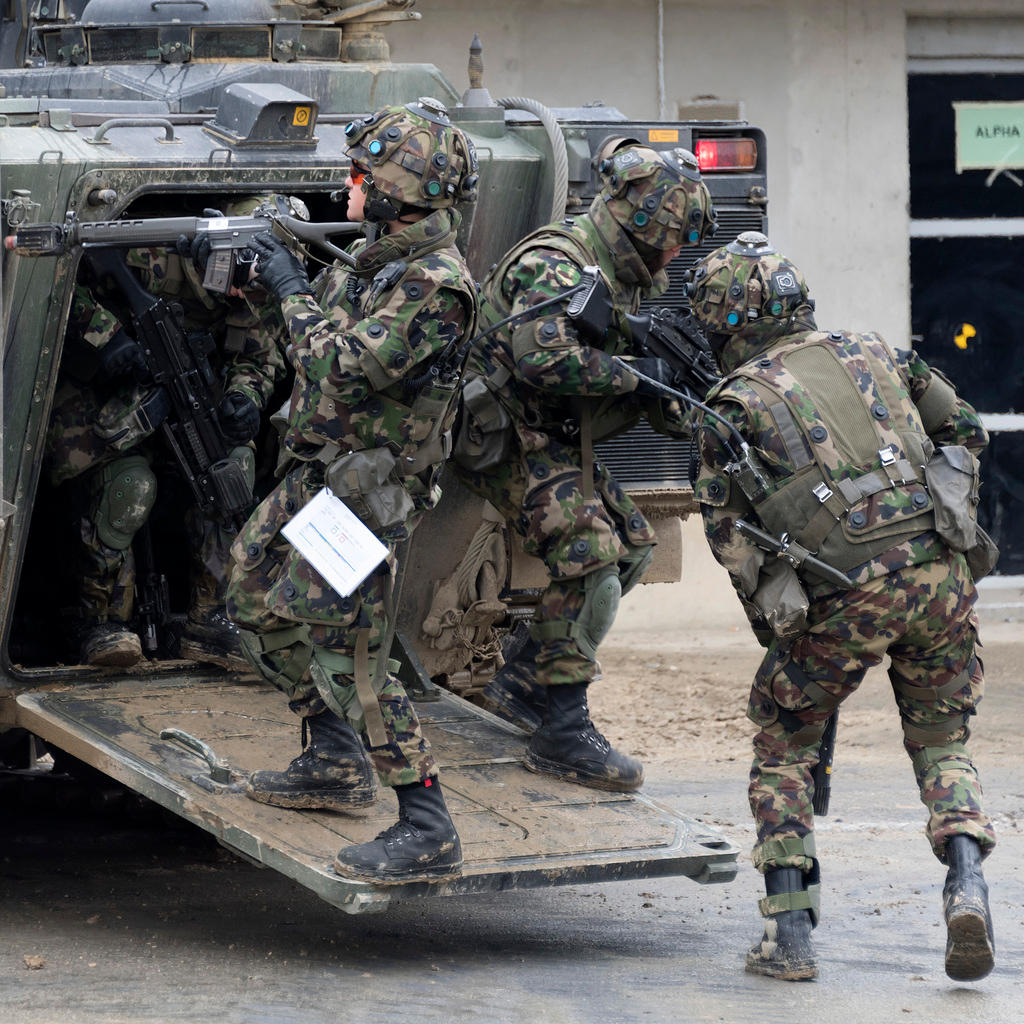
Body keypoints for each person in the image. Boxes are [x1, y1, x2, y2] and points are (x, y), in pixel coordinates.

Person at [689, 231, 997, 982]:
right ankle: (967, 881)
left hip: (841, 596)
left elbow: (734, 544)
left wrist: (783, 633)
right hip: (940, 580)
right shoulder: (874, 350)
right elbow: (966, 432)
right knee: (941, 739)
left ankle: (790, 937)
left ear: (725, 324)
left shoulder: (731, 406)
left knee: (784, 745)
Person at [218, 98, 479, 884]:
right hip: (322, 476)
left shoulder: (436, 286)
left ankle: (427, 821)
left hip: (366, 498)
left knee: (356, 657)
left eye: (360, 173)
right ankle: (333, 757)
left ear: (399, 189)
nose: (348, 184)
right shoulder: (381, 260)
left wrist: (289, 283)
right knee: (249, 600)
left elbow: (335, 366)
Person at [454, 146, 716, 791]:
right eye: (674, 239)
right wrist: (639, 377)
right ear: (645, 225)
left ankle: (521, 680)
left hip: (547, 432)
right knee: (591, 557)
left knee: (632, 548)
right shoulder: (559, 261)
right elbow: (542, 360)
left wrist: (673, 392)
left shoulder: (620, 275)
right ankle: (563, 730)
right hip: (497, 431)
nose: (676, 256)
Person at [46, 196, 291, 668]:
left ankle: (211, 619)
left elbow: (259, 356)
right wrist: (107, 336)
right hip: (110, 399)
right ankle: (97, 620)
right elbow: (59, 277)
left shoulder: (258, 288)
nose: (254, 289)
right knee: (130, 488)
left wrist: (246, 399)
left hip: (189, 402)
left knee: (231, 470)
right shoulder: (154, 250)